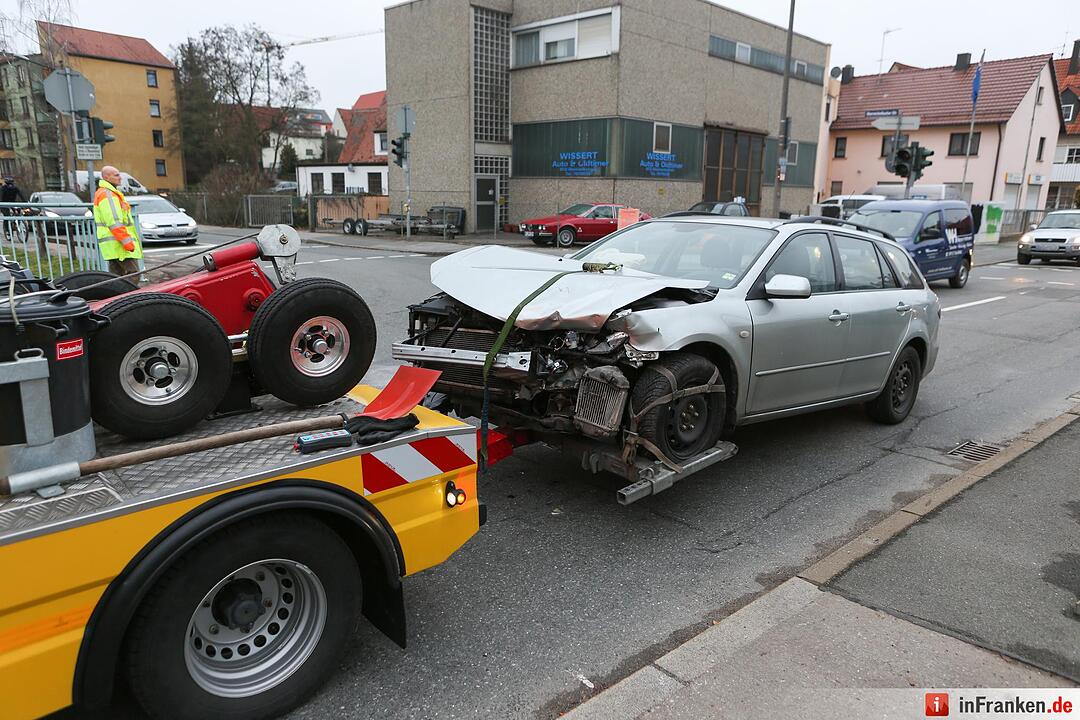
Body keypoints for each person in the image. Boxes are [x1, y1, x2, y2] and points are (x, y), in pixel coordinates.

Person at [92, 166, 142, 277]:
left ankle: (116, 294)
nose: (120, 178)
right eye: (116, 175)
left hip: (115, 244)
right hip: (119, 244)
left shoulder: (108, 193)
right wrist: (127, 242)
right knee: (133, 275)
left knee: (116, 278)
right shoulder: (108, 194)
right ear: (106, 177)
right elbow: (114, 221)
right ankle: (128, 295)